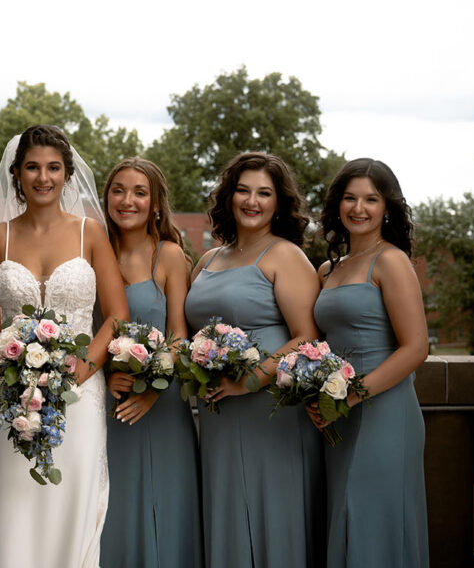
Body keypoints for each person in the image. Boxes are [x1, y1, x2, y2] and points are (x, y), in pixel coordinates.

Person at [0, 124, 129, 568]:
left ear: (67, 174)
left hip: (78, 395)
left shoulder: (90, 234)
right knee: (12, 504)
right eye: (33, 167)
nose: (43, 177)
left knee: (69, 501)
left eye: (53, 168)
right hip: (11, 396)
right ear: (17, 173)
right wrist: (5, 365)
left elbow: (116, 317)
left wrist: (80, 371)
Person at [184, 151, 324, 568]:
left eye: (264, 193)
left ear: (278, 202)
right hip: (217, 412)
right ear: (229, 196)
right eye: (243, 190)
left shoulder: (285, 255)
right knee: (225, 505)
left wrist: (248, 380)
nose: (252, 201)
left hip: (269, 409)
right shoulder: (209, 259)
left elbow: (307, 336)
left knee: (271, 511)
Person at [312, 158, 429, 567]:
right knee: (344, 520)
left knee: (373, 521)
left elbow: (415, 348)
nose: (358, 208)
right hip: (336, 413)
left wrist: (352, 397)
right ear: (337, 205)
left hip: (384, 412)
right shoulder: (328, 269)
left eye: (371, 199)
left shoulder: (392, 261)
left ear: (387, 208)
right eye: (349, 198)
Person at [100, 157, 203, 568]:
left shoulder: (170, 255)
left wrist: (153, 391)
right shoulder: (92, 251)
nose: (127, 200)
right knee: (110, 512)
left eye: (140, 192)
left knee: (165, 506)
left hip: (161, 406)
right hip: (104, 405)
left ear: (156, 204)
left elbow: (180, 334)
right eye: (118, 190)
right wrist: (106, 374)